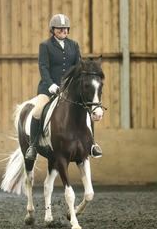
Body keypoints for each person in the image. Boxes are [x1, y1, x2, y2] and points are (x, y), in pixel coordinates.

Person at [25, 13, 102, 161]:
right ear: (53, 30)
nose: (63, 32)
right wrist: (51, 85)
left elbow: (78, 67)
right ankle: (32, 146)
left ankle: (92, 144)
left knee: (87, 109)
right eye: (60, 29)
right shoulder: (45, 46)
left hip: (68, 90)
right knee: (37, 112)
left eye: (65, 29)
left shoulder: (74, 45)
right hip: (48, 89)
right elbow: (43, 68)